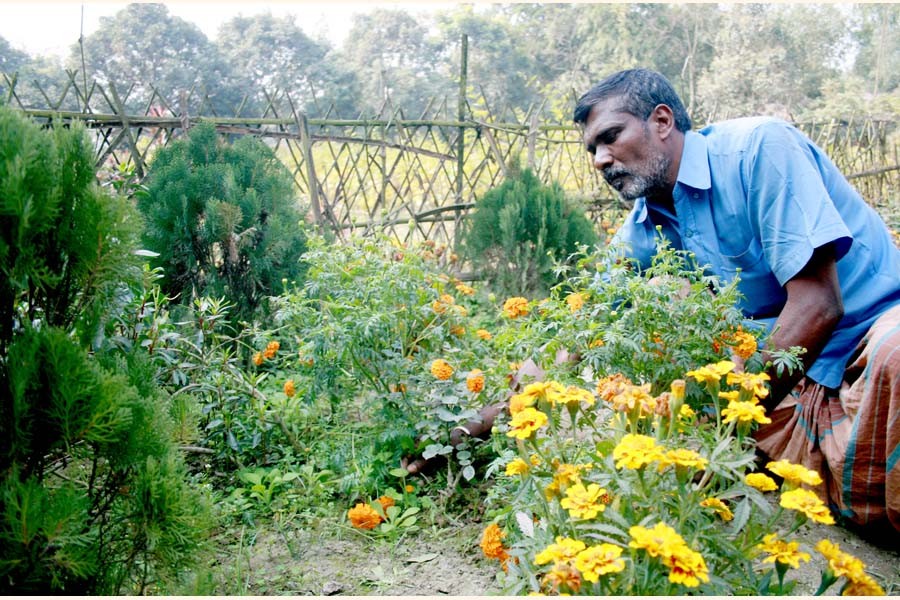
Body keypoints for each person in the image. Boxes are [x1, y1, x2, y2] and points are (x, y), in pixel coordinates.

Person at [572, 68, 900, 532]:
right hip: (795, 376)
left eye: (610, 137)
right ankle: (822, 466)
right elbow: (583, 326)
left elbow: (819, 305)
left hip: (869, 336)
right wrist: (478, 420)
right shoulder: (644, 227)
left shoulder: (759, 150)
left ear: (662, 121)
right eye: (592, 149)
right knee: (667, 355)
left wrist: (732, 431)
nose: (600, 160)